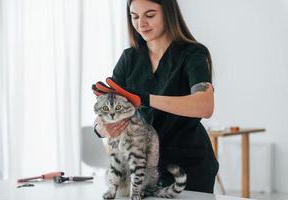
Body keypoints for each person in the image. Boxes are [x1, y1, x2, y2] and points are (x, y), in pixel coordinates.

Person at [92, 0, 219, 193]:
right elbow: (106, 112)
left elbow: (204, 105)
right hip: (140, 170)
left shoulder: (193, 54)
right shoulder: (129, 58)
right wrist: (102, 128)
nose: (141, 23)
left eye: (150, 15)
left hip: (188, 167)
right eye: (134, 16)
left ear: (168, 14)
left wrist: (144, 98)